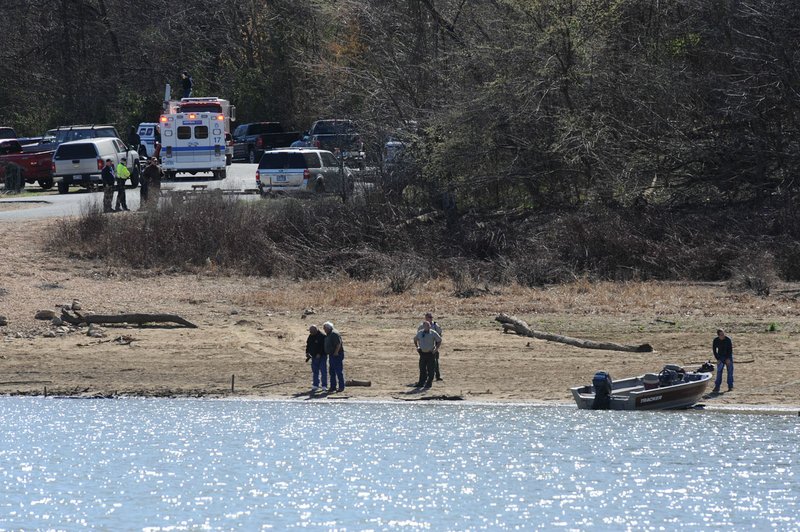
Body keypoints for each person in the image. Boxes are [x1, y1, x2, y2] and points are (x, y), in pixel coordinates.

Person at [414, 320, 442, 388]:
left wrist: (436, 349)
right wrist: (417, 347)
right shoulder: (420, 333)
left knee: (431, 369)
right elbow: (415, 339)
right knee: (422, 368)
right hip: (422, 353)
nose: (427, 327)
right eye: (426, 326)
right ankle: (421, 382)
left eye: (428, 326)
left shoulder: (433, 333)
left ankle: (429, 383)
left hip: (431, 353)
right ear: (423, 326)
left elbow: (439, 340)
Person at [418, 312, 444, 381]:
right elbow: (418, 336)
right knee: (424, 363)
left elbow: (440, 333)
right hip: (425, 347)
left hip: (433, 346)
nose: (431, 318)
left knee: (435, 362)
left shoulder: (435, 325)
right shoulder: (422, 326)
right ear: (426, 318)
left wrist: (436, 343)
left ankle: (437, 376)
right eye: (429, 317)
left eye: (431, 317)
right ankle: (426, 377)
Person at [323, 321, 345, 393]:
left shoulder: (334, 334)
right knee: (331, 371)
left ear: (329, 328)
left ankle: (341, 387)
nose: (324, 330)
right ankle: (333, 387)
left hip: (336, 355)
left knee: (338, 371)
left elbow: (338, 344)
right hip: (331, 355)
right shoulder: (329, 334)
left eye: (325, 328)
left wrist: (336, 352)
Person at [306, 325, 328, 392]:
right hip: (313, 356)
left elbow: (324, 347)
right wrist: (307, 352)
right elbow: (308, 345)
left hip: (322, 356)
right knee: (315, 371)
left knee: (323, 370)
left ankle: (324, 385)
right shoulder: (310, 336)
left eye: (311, 331)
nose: (310, 333)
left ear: (315, 330)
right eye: (310, 331)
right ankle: (315, 385)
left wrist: (320, 353)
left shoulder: (322, 336)